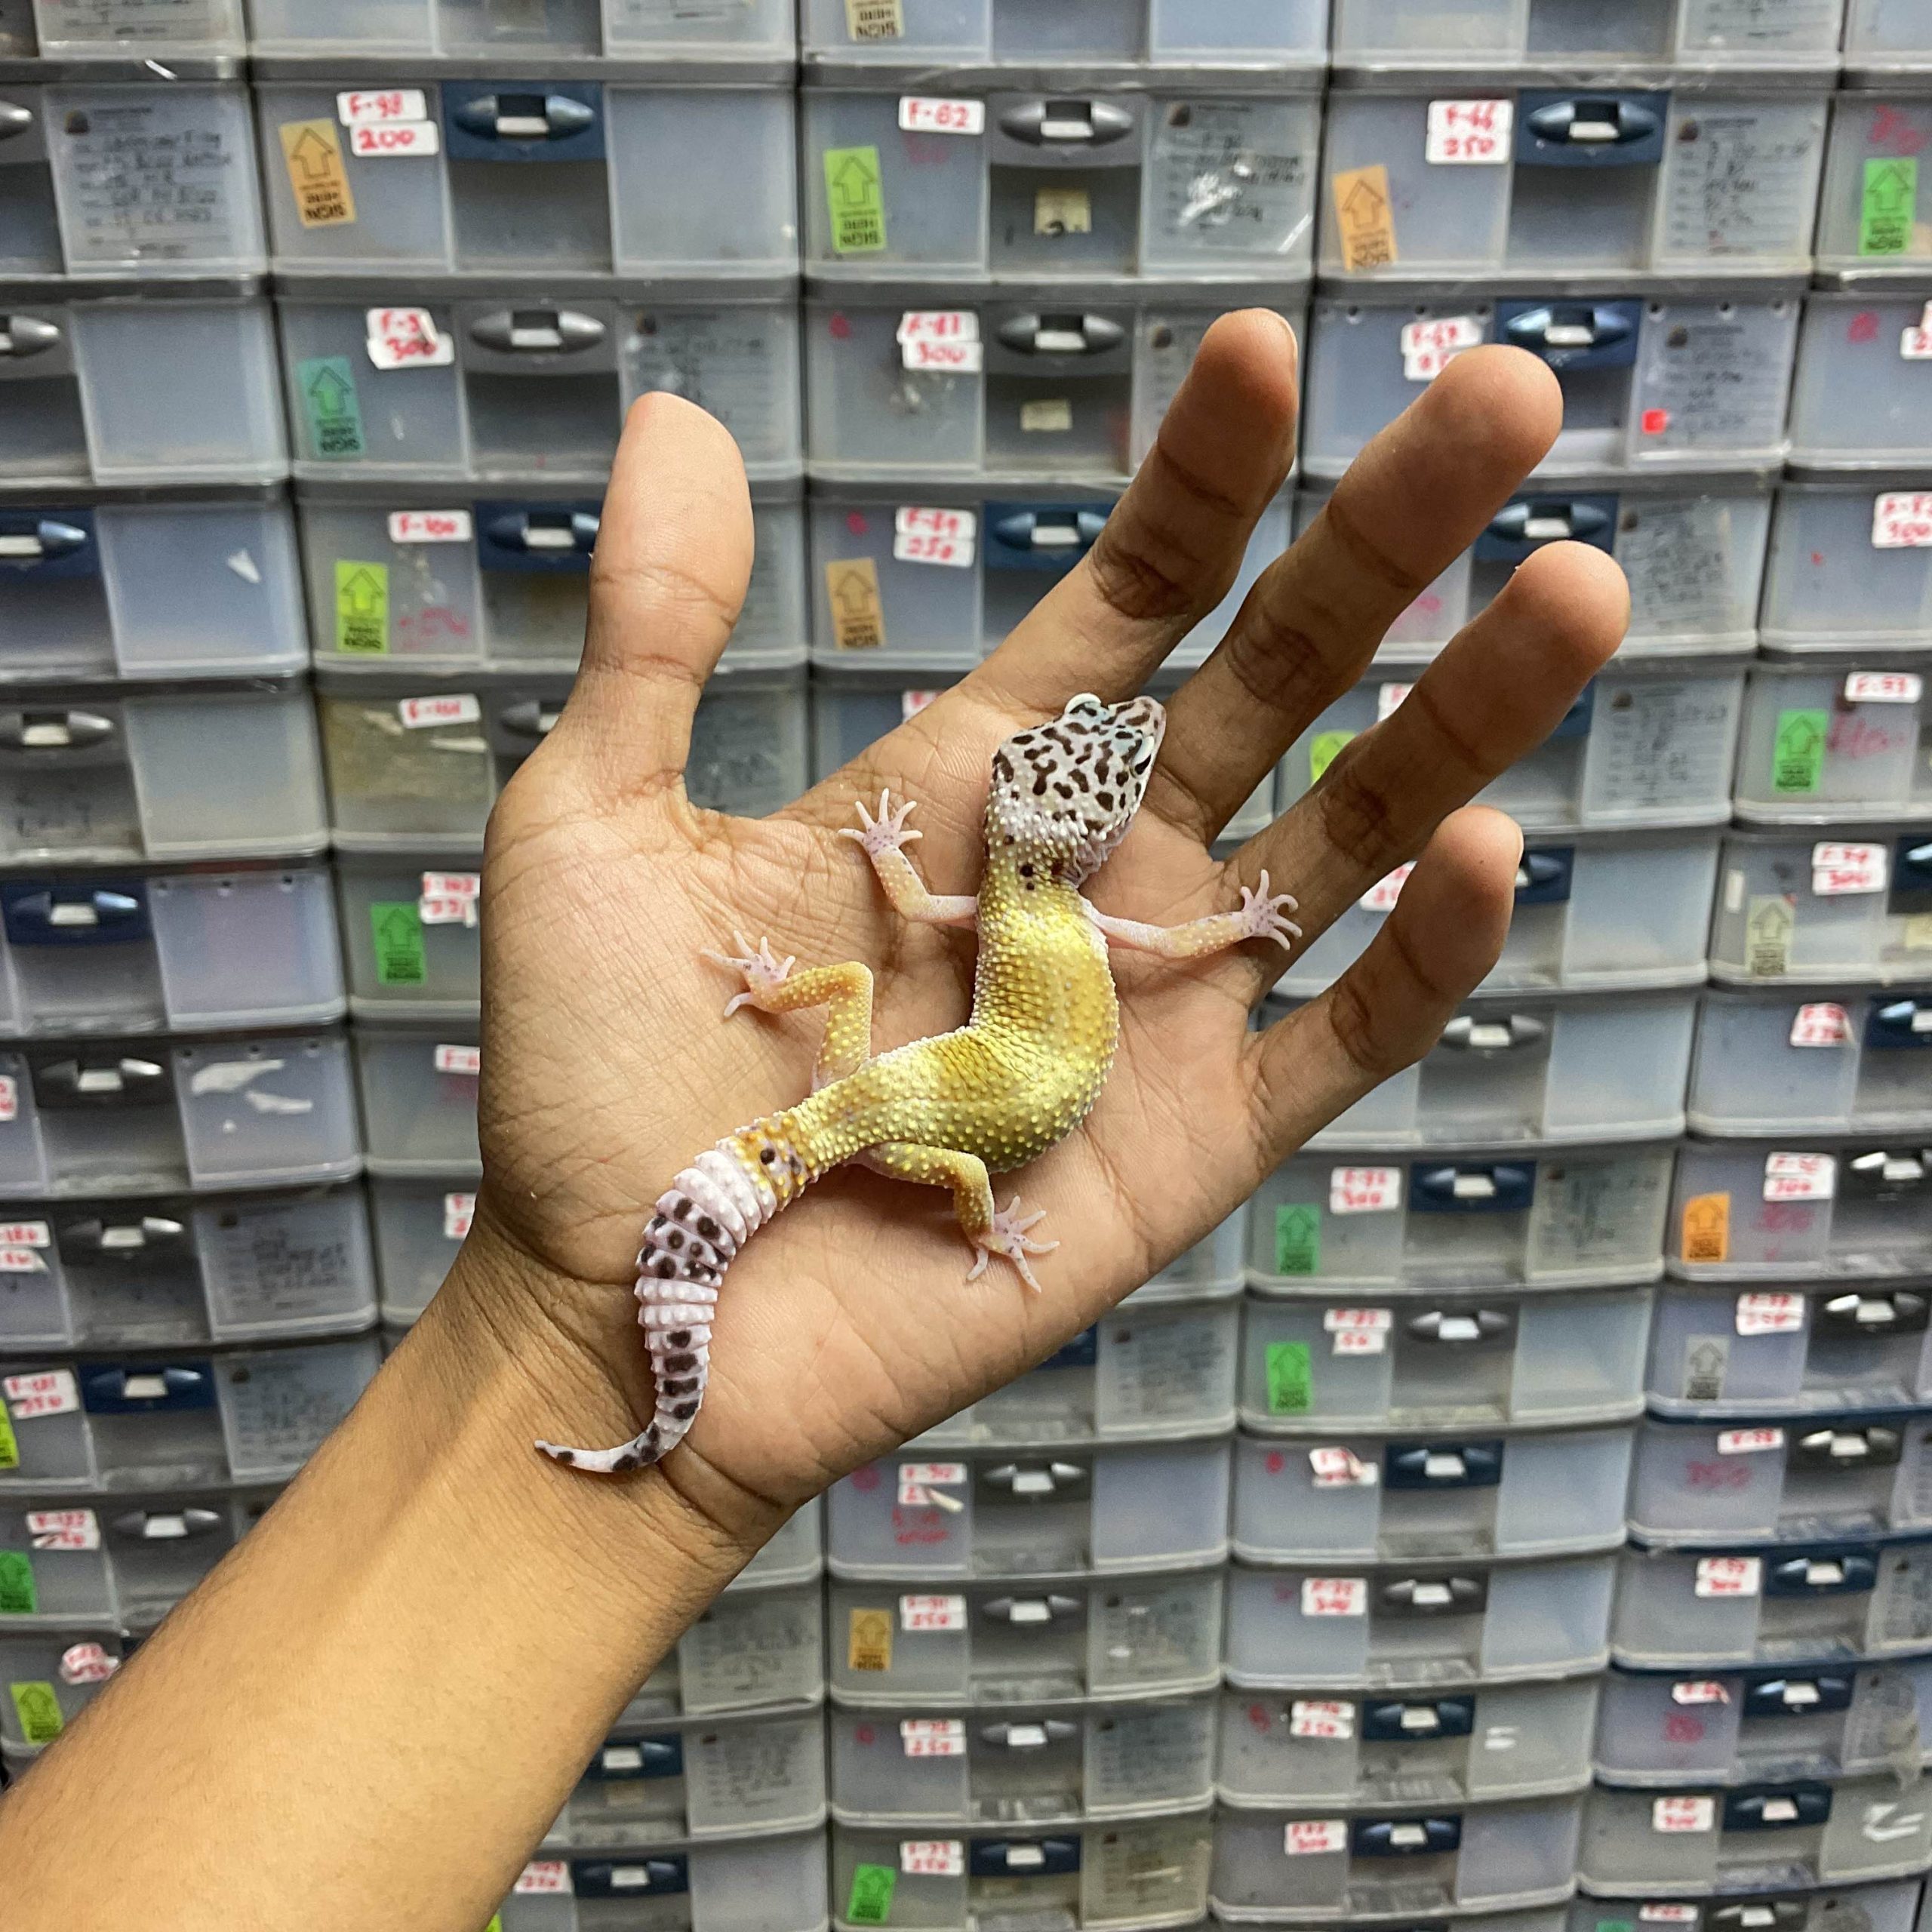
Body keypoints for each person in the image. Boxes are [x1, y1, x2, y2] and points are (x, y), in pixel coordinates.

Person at [0, 313, 1626, 1927]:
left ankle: (667, 1371)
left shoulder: (1014, 906)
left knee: (851, 1107)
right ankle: (667, 1383)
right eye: (1101, 756)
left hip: (903, 1096)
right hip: (926, 1124)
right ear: (1071, 818)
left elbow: (947, 914)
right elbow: (1150, 940)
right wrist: (1010, 1166)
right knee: (876, 1149)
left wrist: (884, 921)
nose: (1120, 755)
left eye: (1111, 758)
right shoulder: (1060, 919)